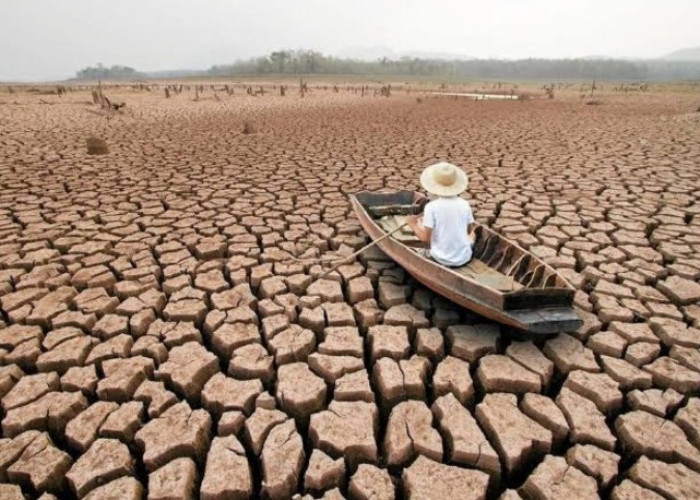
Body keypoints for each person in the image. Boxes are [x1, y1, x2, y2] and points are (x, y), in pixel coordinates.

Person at [406, 162, 475, 267]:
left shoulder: (431, 207)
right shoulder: (465, 204)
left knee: (415, 250)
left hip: (440, 259)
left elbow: (425, 239)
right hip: (465, 257)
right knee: (473, 235)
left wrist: (413, 224)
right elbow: (469, 231)